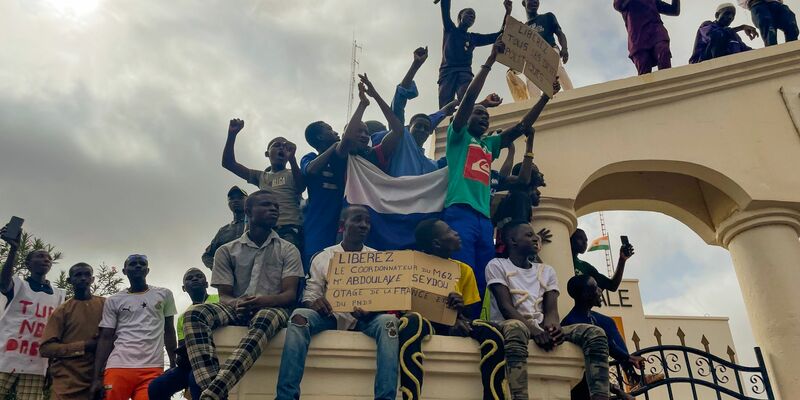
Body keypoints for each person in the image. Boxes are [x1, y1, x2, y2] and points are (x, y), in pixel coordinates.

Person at [444, 38, 551, 314]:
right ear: (466, 119)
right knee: (462, 268)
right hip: (460, 213)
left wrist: (545, 97)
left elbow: (522, 126)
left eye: (486, 117)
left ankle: (476, 322)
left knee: (485, 274)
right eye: (478, 115)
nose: (483, 118)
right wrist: (489, 62)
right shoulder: (458, 137)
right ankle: (457, 319)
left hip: (484, 220)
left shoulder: (487, 145)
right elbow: (467, 100)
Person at [182, 190, 303, 400]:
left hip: (273, 308)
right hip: (235, 308)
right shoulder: (226, 251)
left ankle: (213, 392)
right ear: (248, 211)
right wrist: (237, 303)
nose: (274, 209)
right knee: (194, 314)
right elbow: (225, 296)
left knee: (266, 316)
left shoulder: (288, 249)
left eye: (276, 206)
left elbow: (289, 295)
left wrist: (262, 301)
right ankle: (216, 391)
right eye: (266, 205)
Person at [275, 205, 399, 400]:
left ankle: (385, 397)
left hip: (365, 321)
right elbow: (309, 295)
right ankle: (286, 396)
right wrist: (315, 304)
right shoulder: (323, 257)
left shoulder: (378, 259)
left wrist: (372, 311)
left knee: (389, 323)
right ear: (342, 226)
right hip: (329, 318)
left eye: (367, 221)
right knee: (299, 317)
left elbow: (385, 300)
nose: (364, 225)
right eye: (358, 220)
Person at [486, 221, 611, 400]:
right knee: (516, 327)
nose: (536, 238)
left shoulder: (547, 271)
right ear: (513, 241)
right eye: (529, 235)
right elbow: (506, 308)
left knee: (595, 333)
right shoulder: (497, 265)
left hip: (540, 330)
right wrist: (535, 330)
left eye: (535, 234)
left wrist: (552, 328)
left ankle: (600, 396)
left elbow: (551, 310)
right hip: (512, 326)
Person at [398, 219, 509, 400]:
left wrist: (460, 308)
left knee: (492, 332)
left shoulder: (464, 270)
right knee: (411, 322)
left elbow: (470, 313)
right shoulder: (412, 265)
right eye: (449, 231)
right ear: (436, 243)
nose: (456, 233)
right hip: (424, 324)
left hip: (453, 324)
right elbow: (402, 304)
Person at [300, 79, 391, 267]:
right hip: (318, 219)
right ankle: (219, 297)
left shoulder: (344, 157)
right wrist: (334, 146)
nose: (335, 133)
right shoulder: (309, 157)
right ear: (318, 137)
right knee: (313, 264)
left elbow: (347, 142)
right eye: (330, 130)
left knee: (337, 267)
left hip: (340, 219)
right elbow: (311, 170)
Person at [91, 254, 177, 400]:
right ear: (124, 271)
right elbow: (105, 338)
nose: (138, 266)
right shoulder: (114, 300)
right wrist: (96, 378)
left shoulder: (164, 294)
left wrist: (174, 366)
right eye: (133, 264)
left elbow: (169, 331)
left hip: (152, 367)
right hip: (118, 366)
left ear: (147, 270)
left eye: (142, 264)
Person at [563, 275, 663, 399]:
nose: (600, 291)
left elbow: (608, 343)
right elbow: (584, 370)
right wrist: (617, 390)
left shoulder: (593, 317)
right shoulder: (574, 322)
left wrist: (628, 358)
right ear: (586, 295)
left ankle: (633, 377)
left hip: (595, 384)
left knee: (608, 322)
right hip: (583, 390)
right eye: (595, 288)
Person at [0, 225, 66, 400]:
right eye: (40, 256)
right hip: (4, 356)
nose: (45, 260)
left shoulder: (60, 295)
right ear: (27, 264)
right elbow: (3, 282)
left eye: (49, 258)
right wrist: (13, 249)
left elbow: (57, 332)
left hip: (36, 363)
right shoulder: (18, 284)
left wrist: (52, 366)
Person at [223, 120, 305, 248]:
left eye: (285, 146)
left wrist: (293, 160)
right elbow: (228, 163)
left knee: (287, 263)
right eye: (277, 145)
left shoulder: (292, 172)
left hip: (290, 229)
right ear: (267, 154)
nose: (282, 148)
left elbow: (301, 187)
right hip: (264, 229)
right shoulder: (261, 176)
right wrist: (232, 134)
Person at [147, 268, 220, 400]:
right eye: (189, 278)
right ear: (183, 288)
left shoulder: (219, 299)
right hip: (192, 363)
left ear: (207, 283)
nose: (195, 279)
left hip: (217, 356)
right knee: (156, 387)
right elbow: (182, 345)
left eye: (199, 276)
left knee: (195, 379)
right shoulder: (182, 318)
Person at [40, 263, 105, 400]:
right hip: (67, 382)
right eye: (78, 275)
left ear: (92, 279)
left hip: (99, 378)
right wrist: (85, 346)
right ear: (70, 281)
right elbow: (46, 349)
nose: (83, 278)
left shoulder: (106, 305)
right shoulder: (62, 311)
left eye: (87, 275)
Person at [434, 0, 512, 107]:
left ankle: (467, 118)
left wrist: (508, 12)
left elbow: (499, 35)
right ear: (460, 16)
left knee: (466, 99)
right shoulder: (450, 29)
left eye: (474, 16)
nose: (472, 17)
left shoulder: (473, 38)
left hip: (464, 72)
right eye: (469, 13)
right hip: (447, 71)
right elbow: (445, 8)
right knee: (445, 106)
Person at [508, 0, 574, 100]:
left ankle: (571, 95)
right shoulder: (523, 28)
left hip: (549, 48)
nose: (535, 2)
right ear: (524, 3)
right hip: (532, 56)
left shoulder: (548, 17)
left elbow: (559, 33)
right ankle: (535, 103)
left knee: (556, 69)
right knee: (530, 76)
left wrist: (564, 48)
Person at [614, 0, 681, 75]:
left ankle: (668, 82)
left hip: (656, 32)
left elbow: (674, 10)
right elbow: (619, 5)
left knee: (663, 52)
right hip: (638, 38)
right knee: (644, 68)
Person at [690, 3, 758, 64]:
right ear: (717, 15)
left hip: (730, 66)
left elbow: (745, 50)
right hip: (704, 63)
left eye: (733, 15)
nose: (730, 17)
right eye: (727, 13)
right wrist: (741, 27)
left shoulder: (733, 35)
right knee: (723, 33)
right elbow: (715, 36)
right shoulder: (707, 25)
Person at [570, 228, 634, 292]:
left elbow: (612, 286)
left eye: (586, 240)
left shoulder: (585, 266)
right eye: (580, 238)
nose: (584, 243)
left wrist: (622, 260)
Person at [201, 186, 248, 269]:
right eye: (231, 199)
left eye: (240, 198)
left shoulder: (257, 223)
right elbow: (206, 256)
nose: (235, 200)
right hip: (231, 279)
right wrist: (220, 270)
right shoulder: (223, 231)